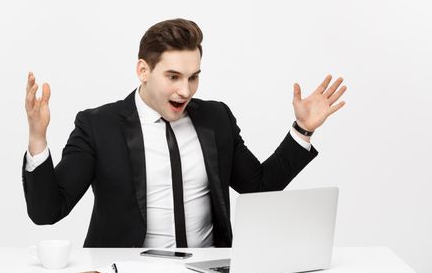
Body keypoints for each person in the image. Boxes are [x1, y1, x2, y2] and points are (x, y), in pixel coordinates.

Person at [22, 18, 347, 248]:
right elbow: (48, 211)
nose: (185, 90)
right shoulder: (98, 125)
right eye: (173, 76)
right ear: (143, 71)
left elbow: (258, 187)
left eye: (193, 77)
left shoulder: (216, 118)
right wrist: (38, 139)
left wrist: (303, 129)